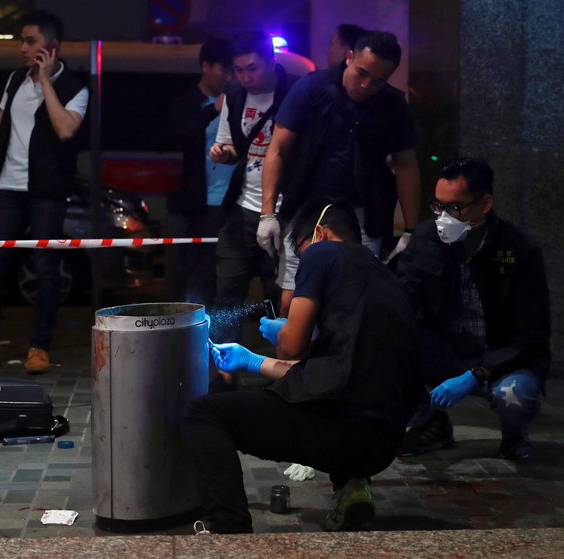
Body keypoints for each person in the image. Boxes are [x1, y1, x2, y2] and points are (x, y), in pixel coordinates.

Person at [184, 200, 424, 534]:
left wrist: (283, 329)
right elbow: (326, 373)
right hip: (384, 442)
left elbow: (293, 347)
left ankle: (228, 531)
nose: (300, 265)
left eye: (299, 253)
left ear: (321, 233)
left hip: (341, 427)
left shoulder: (322, 253)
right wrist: (250, 360)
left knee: (203, 413)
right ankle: (352, 487)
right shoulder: (381, 276)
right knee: (321, 395)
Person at [0, 10, 88, 373]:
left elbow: (65, 130)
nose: (21, 48)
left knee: (46, 268)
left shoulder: (76, 87)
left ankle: (39, 347)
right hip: (8, 188)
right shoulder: (14, 80)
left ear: (51, 47)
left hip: (47, 192)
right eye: (21, 41)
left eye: (30, 42)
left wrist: (45, 82)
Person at [391, 158, 550, 460]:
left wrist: (477, 373)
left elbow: (531, 334)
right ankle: (431, 424)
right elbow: (402, 298)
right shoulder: (427, 239)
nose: (444, 217)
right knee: (385, 341)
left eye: (455, 208)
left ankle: (514, 432)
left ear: (485, 203)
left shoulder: (518, 250)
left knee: (515, 395)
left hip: (502, 358)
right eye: (438, 206)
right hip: (448, 350)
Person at [259, 30, 420, 316]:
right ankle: (289, 360)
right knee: (292, 298)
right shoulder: (311, 87)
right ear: (349, 57)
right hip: (305, 205)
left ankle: (342, 359)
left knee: (356, 298)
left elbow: (406, 164)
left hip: (362, 210)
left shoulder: (393, 104)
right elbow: (277, 150)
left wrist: (410, 229)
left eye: (378, 80)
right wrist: (268, 213)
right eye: (362, 72)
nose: (366, 84)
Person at [208, 30, 295, 350]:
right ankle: (223, 368)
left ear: (272, 61)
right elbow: (230, 145)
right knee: (227, 288)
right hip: (243, 205)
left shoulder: (295, 91)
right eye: (239, 69)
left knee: (282, 292)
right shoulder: (235, 94)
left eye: (253, 68)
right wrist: (223, 153)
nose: (245, 76)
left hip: (287, 207)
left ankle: (285, 362)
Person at [164, 38, 234, 307]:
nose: (229, 77)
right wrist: (214, 109)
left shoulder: (238, 101)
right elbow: (178, 133)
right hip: (198, 203)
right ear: (206, 66)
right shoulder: (187, 101)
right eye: (224, 70)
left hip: (231, 202)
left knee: (224, 276)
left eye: (233, 71)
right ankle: (187, 335)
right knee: (192, 273)